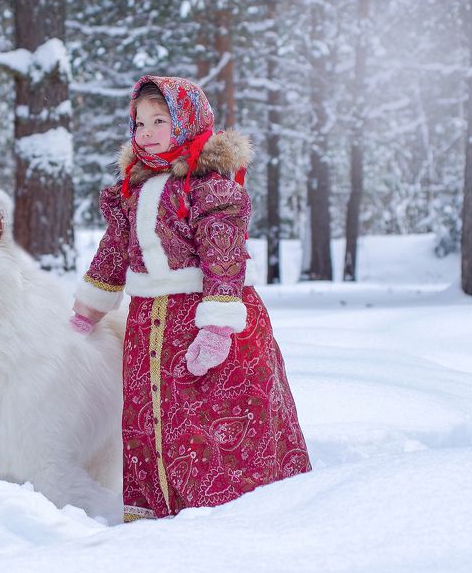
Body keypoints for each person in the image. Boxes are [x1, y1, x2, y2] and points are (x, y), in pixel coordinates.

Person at [70, 75, 311, 522]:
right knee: (153, 416)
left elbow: (224, 255)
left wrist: (218, 325)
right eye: (139, 122)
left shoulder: (209, 186)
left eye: (160, 120)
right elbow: (111, 254)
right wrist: (87, 311)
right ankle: (156, 509)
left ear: (188, 122)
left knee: (211, 415)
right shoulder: (133, 190)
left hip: (208, 318)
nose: (146, 131)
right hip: (149, 325)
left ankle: (230, 510)